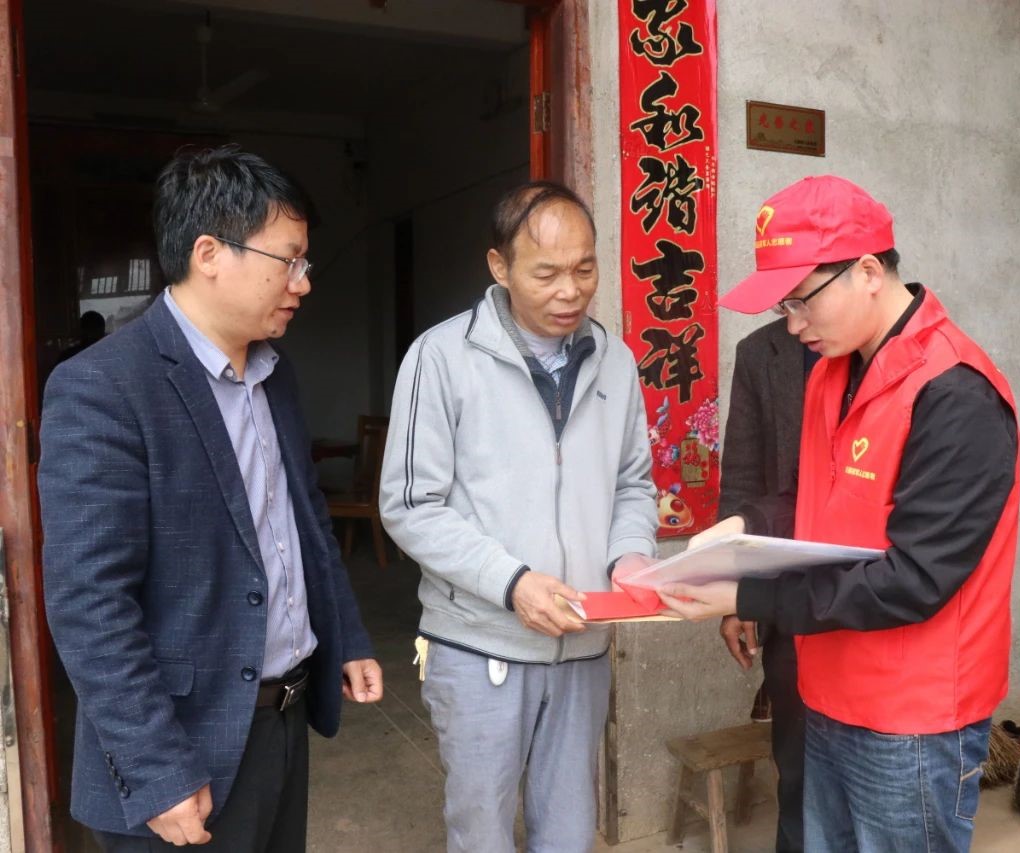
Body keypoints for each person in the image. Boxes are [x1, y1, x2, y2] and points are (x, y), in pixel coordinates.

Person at [658, 175, 1020, 852]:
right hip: (826, 687)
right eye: (785, 305)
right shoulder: (833, 371)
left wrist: (744, 596)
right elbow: (815, 498)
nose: (793, 324)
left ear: (869, 272)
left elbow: (912, 580)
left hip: (908, 718)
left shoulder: (954, 393)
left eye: (802, 301)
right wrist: (741, 528)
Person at [39, 146, 383, 852]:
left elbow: (304, 521)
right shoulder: (104, 386)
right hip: (181, 750)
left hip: (281, 719)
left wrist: (344, 635)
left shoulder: (274, 373)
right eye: (289, 260)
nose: (303, 283)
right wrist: (156, 769)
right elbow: (89, 602)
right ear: (209, 253)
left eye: (304, 262)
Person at [379, 181, 657, 853]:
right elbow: (410, 505)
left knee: (569, 831)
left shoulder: (615, 360)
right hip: (481, 646)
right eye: (547, 273)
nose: (571, 291)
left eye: (585, 268)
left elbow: (632, 483)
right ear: (499, 267)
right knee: (482, 832)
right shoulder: (441, 357)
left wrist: (629, 557)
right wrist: (513, 583)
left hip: (583, 642)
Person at [716, 318, 811, 853]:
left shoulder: (894, 350)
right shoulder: (762, 352)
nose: (797, 319)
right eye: (785, 302)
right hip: (788, 600)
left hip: (879, 598)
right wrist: (737, 594)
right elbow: (743, 480)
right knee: (797, 770)